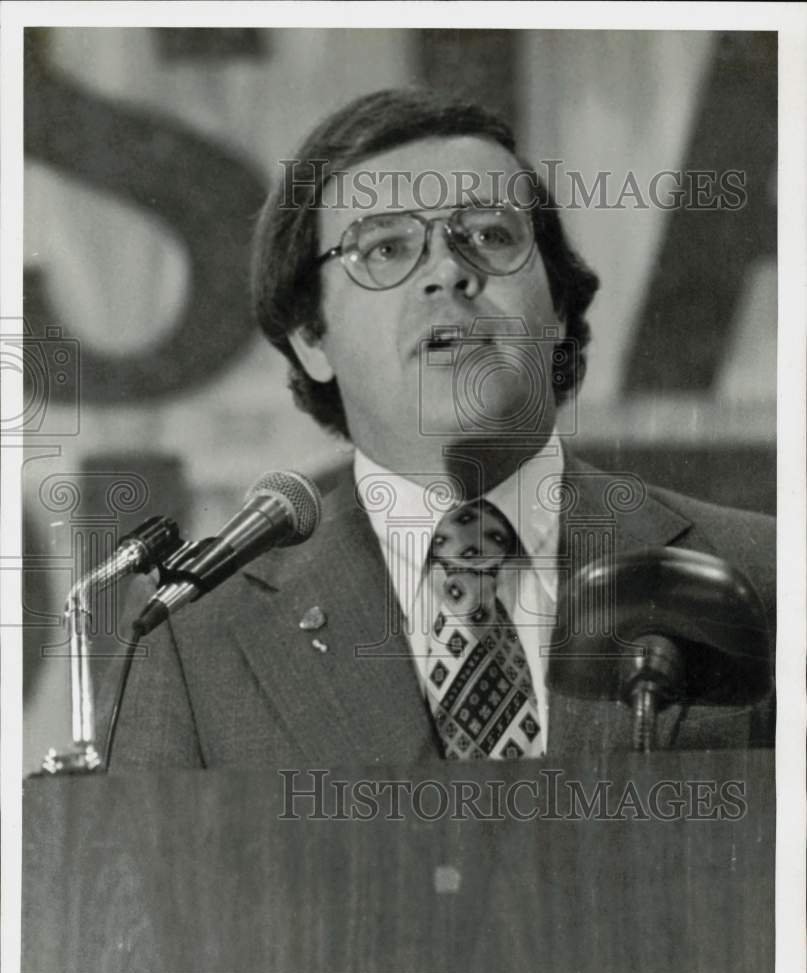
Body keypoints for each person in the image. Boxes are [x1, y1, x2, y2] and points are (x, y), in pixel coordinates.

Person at [104, 89, 775, 768]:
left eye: (489, 235)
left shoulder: (765, 574)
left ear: (558, 308)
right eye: (386, 248)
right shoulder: (193, 635)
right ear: (311, 335)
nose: (449, 272)